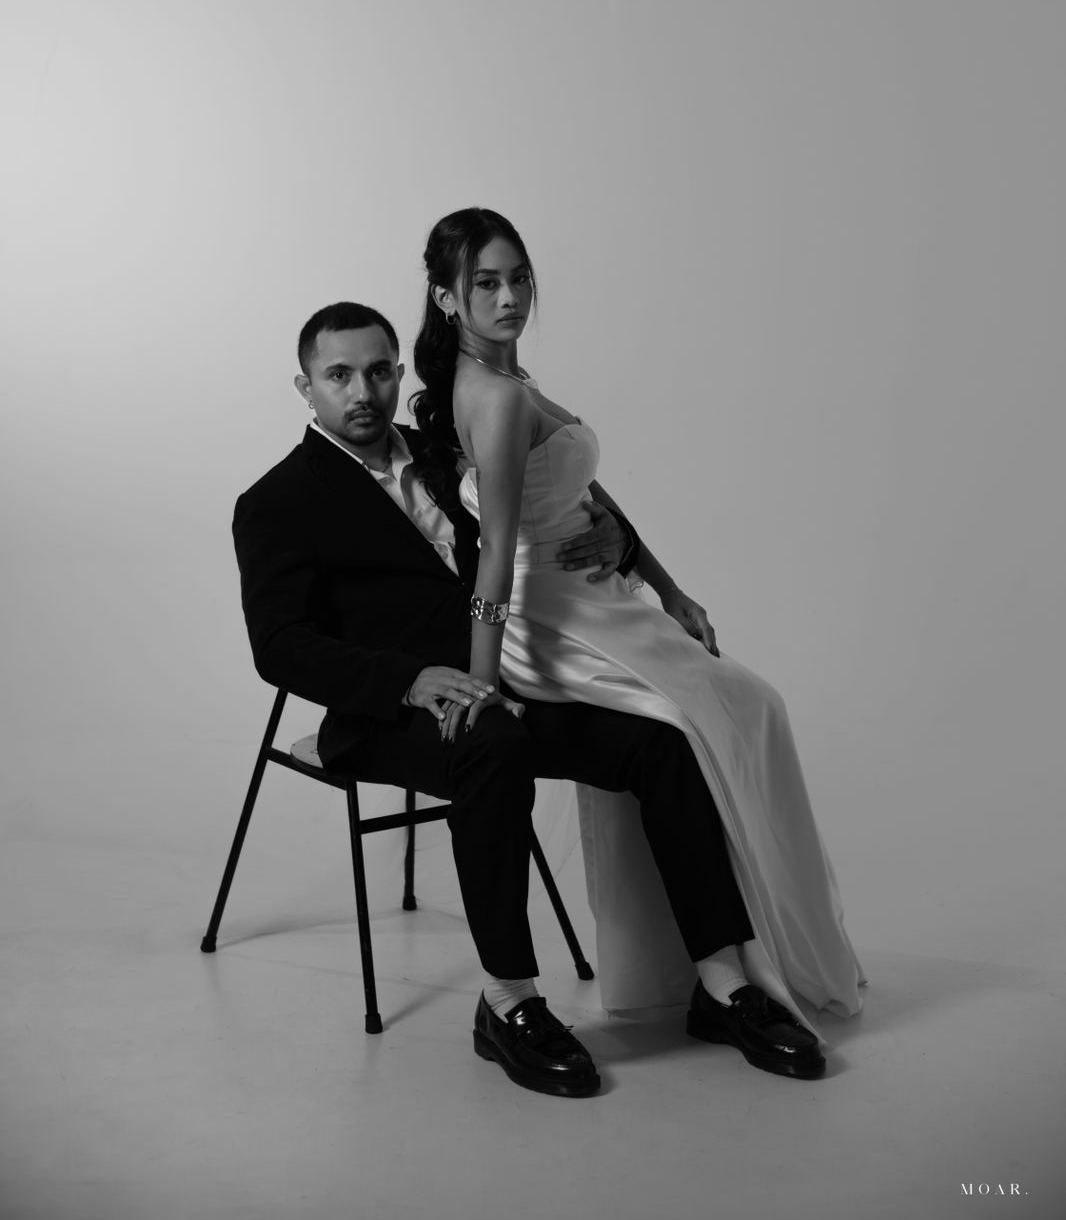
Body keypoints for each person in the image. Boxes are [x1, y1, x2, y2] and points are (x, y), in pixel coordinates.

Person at [233, 300, 833, 1099]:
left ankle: (722, 985)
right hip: (387, 714)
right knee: (492, 746)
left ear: (399, 372)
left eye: (378, 371)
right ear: (304, 387)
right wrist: (410, 681)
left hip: (513, 676)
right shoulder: (276, 501)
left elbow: (554, 508)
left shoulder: (445, 451)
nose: (362, 391)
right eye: (338, 375)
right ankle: (508, 1001)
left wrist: (622, 544)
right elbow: (280, 647)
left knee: (661, 737)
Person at [411, 207, 865, 1059]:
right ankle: (742, 972)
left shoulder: (511, 380)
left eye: (520, 277)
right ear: (446, 298)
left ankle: (725, 972)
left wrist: (666, 585)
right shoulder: (496, 397)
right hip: (552, 619)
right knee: (741, 710)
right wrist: (484, 683)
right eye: (486, 283)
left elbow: (587, 495)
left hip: (598, 598)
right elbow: (497, 554)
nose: (510, 297)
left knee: (744, 712)